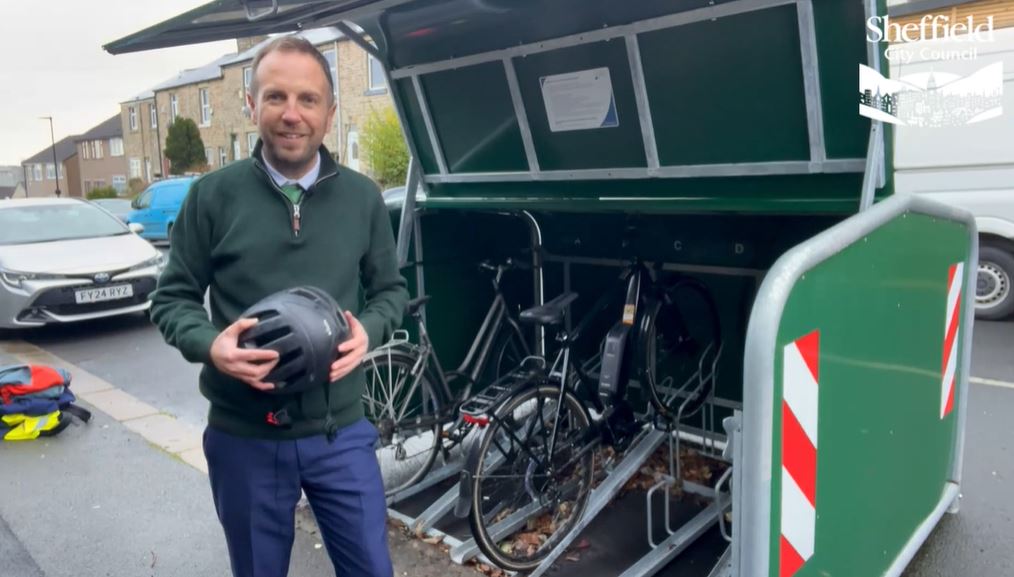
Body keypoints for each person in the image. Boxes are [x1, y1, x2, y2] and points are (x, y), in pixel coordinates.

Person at [150, 35, 408, 577]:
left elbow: (391, 291)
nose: (292, 115)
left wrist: (371, 332)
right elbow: (171, 297)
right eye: (275, 97)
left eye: (308, 100)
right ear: (251, 104)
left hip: (340, 433)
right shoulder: (212, 197)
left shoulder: (362, 199)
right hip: (245, 436)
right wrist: (210, 345)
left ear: (330, 112)